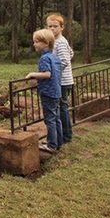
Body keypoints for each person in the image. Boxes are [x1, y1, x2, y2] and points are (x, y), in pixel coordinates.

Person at [27, 28, 62, 153]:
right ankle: (58, 142)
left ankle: (51, 145)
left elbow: (47, 74)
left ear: (46, 43)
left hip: (48, 92)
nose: (34, 44)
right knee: (56, 118)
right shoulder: (54, 57)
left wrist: (33, 74)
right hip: (57, 91)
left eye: (36, 41)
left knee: (50, 119)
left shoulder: (44, 59)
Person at [46, 13, 74, 145]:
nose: (52, 29)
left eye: (55, 26)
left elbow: (64, 60)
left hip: (62, 81)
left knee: (62, 107)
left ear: (62, 28)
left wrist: (53, 72)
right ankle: (64, 134)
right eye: (50, 26)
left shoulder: (60, 42)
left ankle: (66, 135)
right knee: (62, 107)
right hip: (62, 80)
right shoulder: (56, 42)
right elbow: (71, 53)